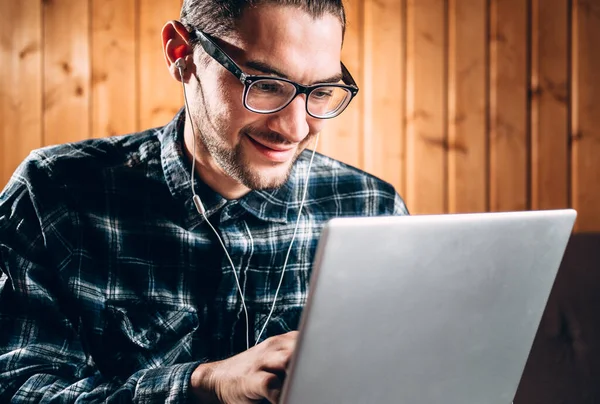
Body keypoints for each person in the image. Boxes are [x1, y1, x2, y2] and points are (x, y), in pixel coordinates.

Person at [0, 0, 408, 402]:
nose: (295, 128)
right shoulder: (54, 193)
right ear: (181, 53)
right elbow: (15, 387)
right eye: (264, 85)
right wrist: (202, 385)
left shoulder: (372, 208)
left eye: (320, 91)